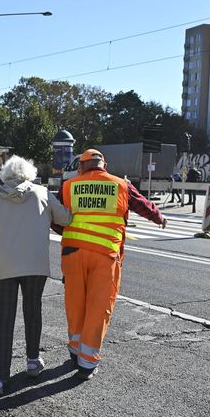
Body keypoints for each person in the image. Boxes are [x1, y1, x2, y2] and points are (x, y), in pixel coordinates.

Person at [56, 149, 167, 380]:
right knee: (98, 307)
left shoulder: (69, 186)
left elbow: (55, 217)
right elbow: (143, 205)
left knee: (75, 304)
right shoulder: (120, 185)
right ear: (104, 166)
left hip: (73, 253)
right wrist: (160, 218)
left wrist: (67, 231)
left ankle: (75, 350)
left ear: (81, 167)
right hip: (105, 256)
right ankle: (87, 363)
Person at [0, 155, 72, 396]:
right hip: (36, 265)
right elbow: (65, 218)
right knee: (32, 310)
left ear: (4, 176)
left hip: (4, 266)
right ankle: (32, 361)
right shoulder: (41, 193)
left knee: (2, 320)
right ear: (30, 173)